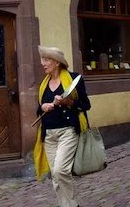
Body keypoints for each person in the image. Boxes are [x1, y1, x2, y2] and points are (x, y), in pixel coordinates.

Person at [34, 46, 91, 207]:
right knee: (55, 176)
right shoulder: (43, 84)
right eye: (42, 60)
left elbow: (86, 105)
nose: (42, 63)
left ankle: (72, 205)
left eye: (46, 60)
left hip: (68, 131)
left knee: (60, 170)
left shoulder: (74, 79)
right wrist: (43, 107)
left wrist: (67, 102)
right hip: (49, 134)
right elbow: (39, 109)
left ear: (57, 62)